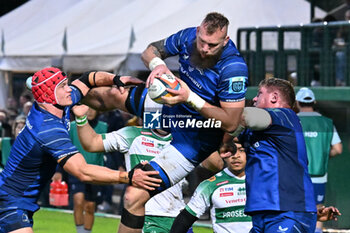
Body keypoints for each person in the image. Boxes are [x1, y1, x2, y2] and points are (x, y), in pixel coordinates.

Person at [82, 12, 248, 233]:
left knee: (134, 195)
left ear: (225, 41)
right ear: (198, 31)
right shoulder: (188, 37)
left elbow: (230, 122)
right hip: (173, 107)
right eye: (202, 42)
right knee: (114, 93)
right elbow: (149, 50)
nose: (205, 49)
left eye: (213, 45)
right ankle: (68, 95)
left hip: (196, 135)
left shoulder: (234, 67)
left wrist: (189, 97)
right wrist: (158, 65)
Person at [0, 67, 161, 233]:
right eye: (63, 86)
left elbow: (88, 79)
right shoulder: (47, 129)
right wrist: (129, 177)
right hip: (11, 200)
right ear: (49, 95)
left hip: (20, 199)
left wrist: (116, 79)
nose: (69, 88)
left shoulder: (60, 103)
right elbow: (83, 172)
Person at [73, 104, 193, 233]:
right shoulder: (133, 134)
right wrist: (81, 118)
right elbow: (91, 143)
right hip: (146, 216)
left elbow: (214, 164)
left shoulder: (186, 140)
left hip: (178, 217)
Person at [230, 78, 317, 232]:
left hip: (287, 211)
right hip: (261, 213)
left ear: (274, 97)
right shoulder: (253, 131)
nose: (254, 98)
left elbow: (244, 116)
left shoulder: (285, 116)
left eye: (259, 93)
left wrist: (197, 101)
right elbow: (227, 136)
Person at [170, 140, 252, 233]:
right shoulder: (210, 185)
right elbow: (185, 219)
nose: (236, 156)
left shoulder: (262, 182)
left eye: (241, 150)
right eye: (230, 151)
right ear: (223, 154)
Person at [295, 87, 342, 233]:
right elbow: (338, 149)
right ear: (314, 102)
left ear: (297, 102)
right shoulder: (327, 123)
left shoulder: (293, 121)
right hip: (319, 176)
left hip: (295, 176)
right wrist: (322, 155)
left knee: (294, 209)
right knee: (318, 210)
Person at [68, 107, 107, 233]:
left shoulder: (104, 127)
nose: (89, 111)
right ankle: (80, 231)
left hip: (96, 171)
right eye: (87, 108)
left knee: (90, 206)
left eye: (93, 109)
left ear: (98, 111)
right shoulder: (72, 127)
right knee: (78, 201)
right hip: (76, 169)